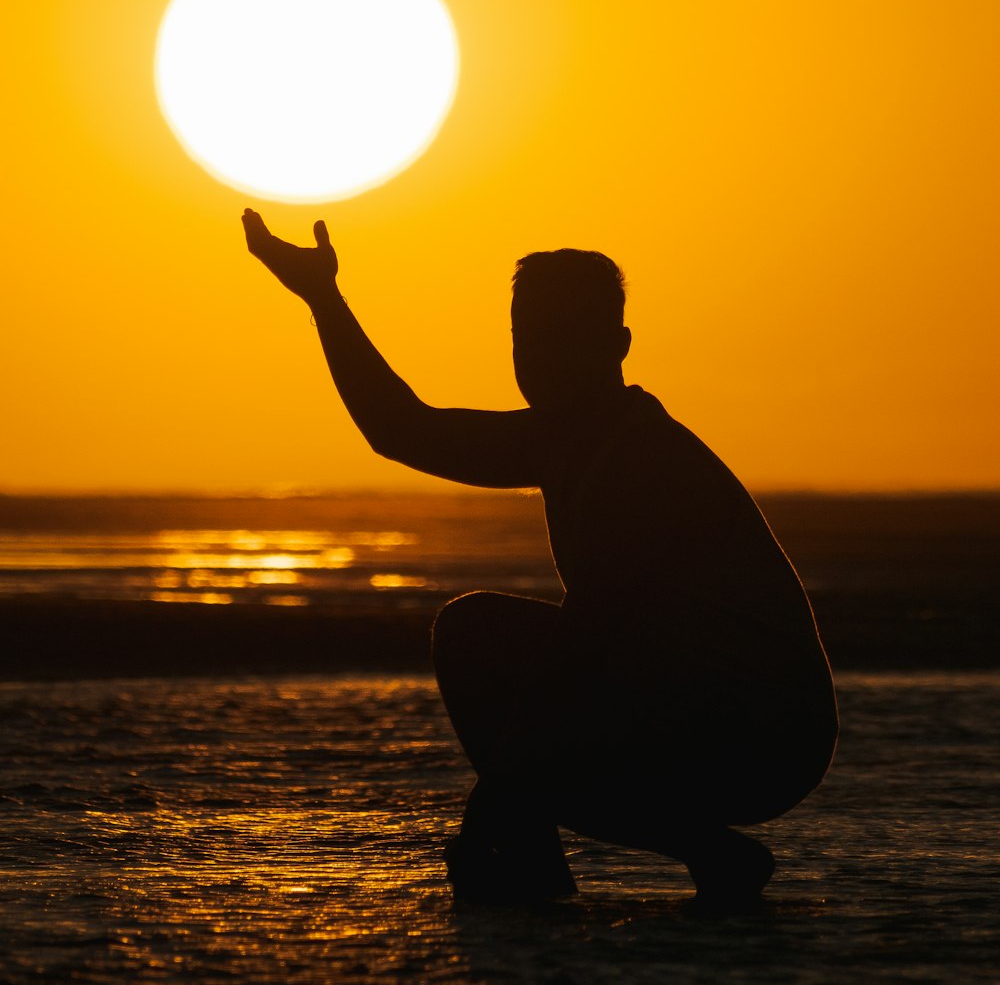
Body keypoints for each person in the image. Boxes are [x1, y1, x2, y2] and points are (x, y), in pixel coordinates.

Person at [242, 209, 838, 907]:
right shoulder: (569, 439)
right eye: (528, 341)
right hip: (695, 703)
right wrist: (323, 298)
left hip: (760, 730)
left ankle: (536, 861)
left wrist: (492, 800)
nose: (542, 362)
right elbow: (402, 430)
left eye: (564, 341)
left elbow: (585, 643)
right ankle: (701, 854)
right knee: (483, 644)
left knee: (492, 658)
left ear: (617, 345)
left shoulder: (640, 455)